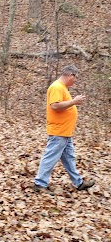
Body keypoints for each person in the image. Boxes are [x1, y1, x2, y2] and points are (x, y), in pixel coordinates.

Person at [34, 65, 95, 193]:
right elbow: (55, 106)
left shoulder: (63, 88)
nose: (75, 80)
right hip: (59, 131)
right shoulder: (57, 87)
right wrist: (74, 101)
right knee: (50, 157)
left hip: (65, 131)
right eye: (75, 77)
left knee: (69, 158)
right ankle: (39, 184)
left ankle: (79, 183)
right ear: (70, 74)